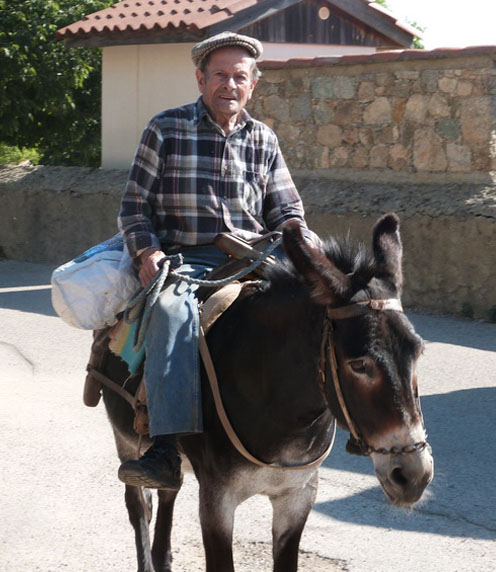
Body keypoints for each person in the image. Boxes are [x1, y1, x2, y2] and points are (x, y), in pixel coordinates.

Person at [115, 32, 316, 489]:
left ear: (254, 84)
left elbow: (286, 211)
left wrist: (306, 248)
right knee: (170, 312)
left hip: (256, 258)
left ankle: (340, 424)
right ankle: (166, 449)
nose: (230, 84)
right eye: (220, 75)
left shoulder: (264, 139)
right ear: (201, 79)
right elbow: (133, 208)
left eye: (239, 77)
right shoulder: (166, 128)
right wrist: (147, 251)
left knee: (327, 306)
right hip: (187, 258)